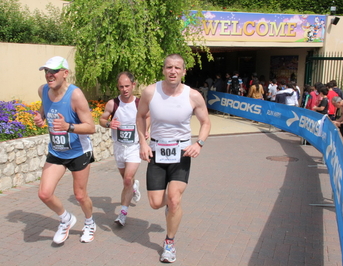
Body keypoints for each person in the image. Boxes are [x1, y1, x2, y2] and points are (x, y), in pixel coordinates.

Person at [136, 54, 211, 263]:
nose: (173, 71)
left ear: (184, 71)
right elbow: (140, 116)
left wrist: (199, 143)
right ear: (163, 70)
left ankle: (169, 242)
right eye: (169, 67)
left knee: (174, 198)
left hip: (181, 153)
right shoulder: (151, 92)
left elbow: (206, 122)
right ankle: (169, 206)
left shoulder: (193, 96)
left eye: (177, 68)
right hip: (156, 152)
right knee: (155, 203)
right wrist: (143, 142)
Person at [34, 56, 97, 244]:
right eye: (46, 71)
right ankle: (66, 219)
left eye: (53, 71)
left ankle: (89, 222)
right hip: (57, 151)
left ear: (65, 73)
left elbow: (91, 127)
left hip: (79, 152)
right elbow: (44, 108)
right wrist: (40, 117)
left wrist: (68, 126)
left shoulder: (75, 95)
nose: (49, 75)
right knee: (44, 194)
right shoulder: (43, 90)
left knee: (80, 195)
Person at [99, 71, 144, 227]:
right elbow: (102, 119)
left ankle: (123, 214)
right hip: (119, 146)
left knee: (126, 180)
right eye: (121, 87)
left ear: (133, 85)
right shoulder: (113, 103)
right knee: (127, 180)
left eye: (127, 86)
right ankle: (134, 188)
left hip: (134, 147)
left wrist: (145, 132)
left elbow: (148, 116)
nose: (124, 89)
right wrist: (108, 124)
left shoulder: (140, 103)